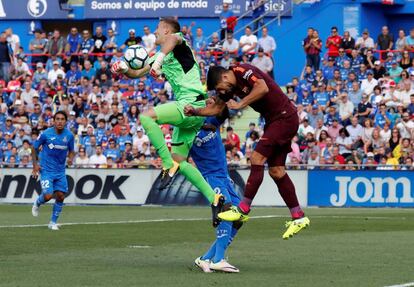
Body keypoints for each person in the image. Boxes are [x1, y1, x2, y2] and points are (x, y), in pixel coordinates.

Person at [111, 17, 224, 225]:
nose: (155, 33)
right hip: (194, 112)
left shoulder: (179, 41)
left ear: (166, 31)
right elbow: (137, 72)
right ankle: (215, 199)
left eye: (157, 30)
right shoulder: (157, 55)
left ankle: (165, 165)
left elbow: (172, 40)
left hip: (190, 104)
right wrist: (122, 69)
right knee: (181, 162)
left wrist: (160, 60)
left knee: (146, 116)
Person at [184, 64, 310, 239]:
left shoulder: (240, 70)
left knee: (256, 158)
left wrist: (241, 103)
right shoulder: (228, 87)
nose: (221, 92)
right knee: (276, 171)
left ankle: (242, 209)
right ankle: (298, 216)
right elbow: (217, 108)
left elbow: (262, 87)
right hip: (275, 121)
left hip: (284, 117)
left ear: (225, 77)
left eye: (220, 88)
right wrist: (195, 112)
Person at [192, 111, 243, 273]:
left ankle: (206, 258)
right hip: (211, 177)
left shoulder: (209, 120)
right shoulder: (184, 133)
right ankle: (218, 259)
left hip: (224, 176)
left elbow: (227, 111)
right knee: (227, 210)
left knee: (240, 217)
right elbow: (179, 158)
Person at [31, 111, 75, 230]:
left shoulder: (69, 136)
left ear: (66, 121)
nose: (60, 121)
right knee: (48, 195)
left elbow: (71, 150)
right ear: (54, 121)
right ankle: (37, 203)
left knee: (61, 196)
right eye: (58, 119)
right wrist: (35, 166)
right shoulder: (46, 134)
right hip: (46, 170)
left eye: (62, 119)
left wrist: (70, 159)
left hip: (60, 171)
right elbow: (34, 148)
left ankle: (52, 222)